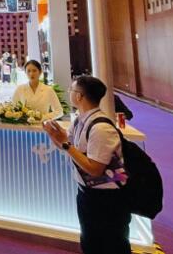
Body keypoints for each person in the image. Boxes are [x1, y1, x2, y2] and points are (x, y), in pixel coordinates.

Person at [43, 76, 131, 254]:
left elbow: (95, 169)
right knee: (90, 242)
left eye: (72, 90)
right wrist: (54, 135)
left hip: (107, 198)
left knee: (111, 244)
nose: (69, 92)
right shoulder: (80, 121)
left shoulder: (101, 128)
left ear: (79, 96)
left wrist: (65, 144)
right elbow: (68, 146)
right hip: (87, 193)